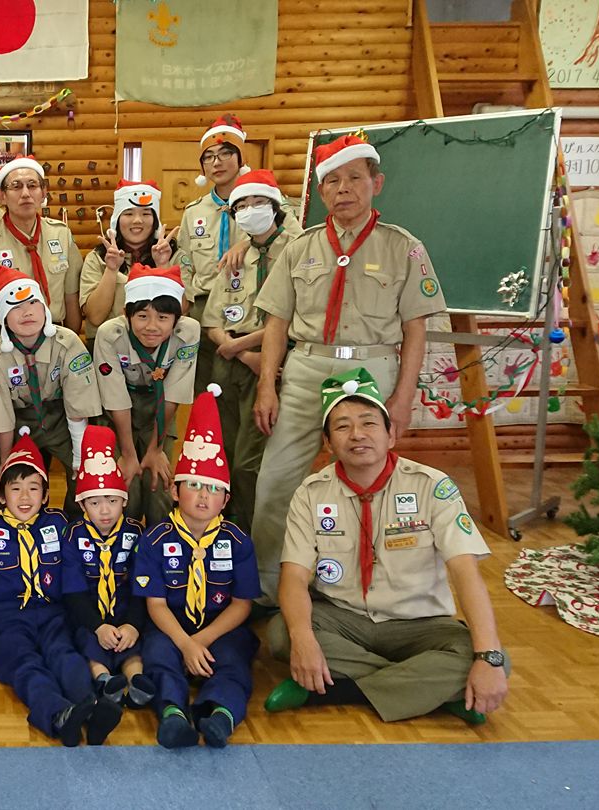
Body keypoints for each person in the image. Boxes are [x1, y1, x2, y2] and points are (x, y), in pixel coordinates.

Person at [250, 134, 446, 600]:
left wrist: (403, 396)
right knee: (276, 480)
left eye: (355, 178)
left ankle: (362, 584)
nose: (344, 188)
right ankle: (266, 587)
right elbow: (276, 323)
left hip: (371, 371)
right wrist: (267, 386)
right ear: (321, 192)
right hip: (306, 368)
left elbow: (416, 328)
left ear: (376, 183)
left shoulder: (403, 248)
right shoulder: (300, 248)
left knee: (368, 478)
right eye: (333, 180)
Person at [263, 369, 510, 724]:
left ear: (391, 434)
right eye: (343, 426)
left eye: (369, 423)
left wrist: (487, 658)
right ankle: (430, 690)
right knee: (282, 635)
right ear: (328, 443)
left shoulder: (431, 486)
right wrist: (302, 638)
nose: (357, 434)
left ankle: (337, 690)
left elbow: (465, 573)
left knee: (493, 658)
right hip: (343, 618)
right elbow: (293, 576)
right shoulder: (311, 493)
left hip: (418, 624)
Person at [0, 430, 103, 746]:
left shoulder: (58, 524)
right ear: (2, 495)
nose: (25, 497)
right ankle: (58, 714)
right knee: (23, 662)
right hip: (4, 616)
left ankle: (92, 707)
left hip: (51, 612)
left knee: (65, 654)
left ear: (46, 495)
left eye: (33, 488)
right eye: (15, 489)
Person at [133, 385, 261, 749]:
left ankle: (220, 713)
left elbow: (242, 604)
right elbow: (156, 604)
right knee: (157, 657)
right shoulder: (154, 539)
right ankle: (173, 713)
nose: (204, 495)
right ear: (175, 491)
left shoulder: (238, 541)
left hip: (220, 627)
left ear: (226, 498)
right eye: (193, 485)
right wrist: (184, 643)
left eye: (213, 488)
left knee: (234, 661)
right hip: (170, 626)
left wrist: (200, 641)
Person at [201, 169, 301, 533]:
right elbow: (212, 318)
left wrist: (244, 348)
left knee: (250, 461)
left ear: (275, 206)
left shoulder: (296, 250)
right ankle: (225, 528)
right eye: (241, 205)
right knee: (224, 454)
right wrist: (239, 351)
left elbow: (291, 318)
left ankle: (253, 534)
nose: (250, 210)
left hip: (271, 361)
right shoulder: (237, 257)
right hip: (231, 363)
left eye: (258, 202)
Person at [0, 263, 102, 517]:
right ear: (3, 317)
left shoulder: (67, 342)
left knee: (85, 471)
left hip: (62, 416)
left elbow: (77, 405)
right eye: (15, 307)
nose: (27, 312)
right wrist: (6, 459)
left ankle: (74, 523)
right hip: (19, 419)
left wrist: (79, 457)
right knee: (13, 476)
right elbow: (2, 415)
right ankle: (23, 524)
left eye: (33, 303)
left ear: (45, 307)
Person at [92, 264, 200, 526]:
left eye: (163, 318)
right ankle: (121, 543)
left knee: (158, 485)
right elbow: (116, 399)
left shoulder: (188, 333)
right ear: (126, 314)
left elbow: (173, 394)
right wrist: (129, 454)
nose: (152, 327)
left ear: (177, 319)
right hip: (117, 415)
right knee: (124, 486)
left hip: (159, 412)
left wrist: (155, 449)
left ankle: (157, 543)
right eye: (142, 316)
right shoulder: (110, 335)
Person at [61, 425, 154, 715]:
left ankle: (136, 680)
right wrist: (98, 626)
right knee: (86, 641)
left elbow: (141, 587)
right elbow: (73, 592)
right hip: (88, 612)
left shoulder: (137, 534)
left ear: (124, 501)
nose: (104, 511)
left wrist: (132, 625)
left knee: (134, 645)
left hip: (125, 609)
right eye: (94, 502)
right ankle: (104, 680)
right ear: (82, 504)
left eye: (112, 501)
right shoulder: (72, 536)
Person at [0, 157, 83, 342]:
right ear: (2, 196)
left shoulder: (61, 234)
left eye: (32, 186)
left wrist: (71, 342)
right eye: (16, 186)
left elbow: (71, 295)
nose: (25, 194)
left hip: (54, 333)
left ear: (44, 193)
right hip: (5, 339)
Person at [175, 116, 251, 396]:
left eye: (225, 154)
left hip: (247, 304)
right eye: (209, 157)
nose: (217, 163)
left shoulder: (263, 202)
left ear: (240, 158)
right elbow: (185, 263)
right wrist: (185, 303)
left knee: (242, 387)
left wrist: (247, 243)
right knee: (205, 390)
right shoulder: (194, 211)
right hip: (203, 306)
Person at [80, 181, 180, 328]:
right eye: (128, 213)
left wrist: (163, 264)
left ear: (155, 220)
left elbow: (182, 310)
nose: (137, 220)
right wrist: (111, 269)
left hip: (161, 339)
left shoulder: (173, 254)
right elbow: (95, 317)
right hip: (109, 339)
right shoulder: (97, 258)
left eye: (146, 213)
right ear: (117, 220)